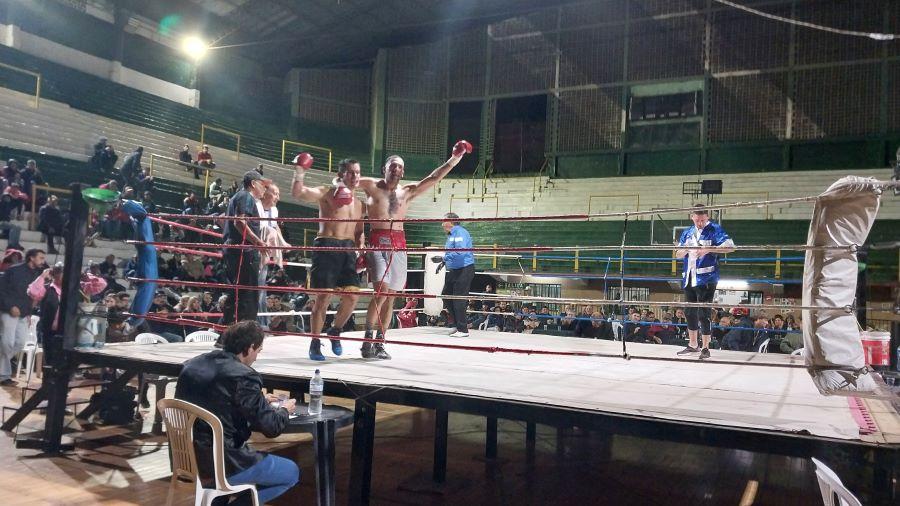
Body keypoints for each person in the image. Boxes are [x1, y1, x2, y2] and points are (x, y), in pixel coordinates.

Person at [355, 140, 472, 358]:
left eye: (400, 166)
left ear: (403, 171)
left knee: (391, 297)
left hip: (399, 244)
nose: (396, 168)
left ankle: (380, 343)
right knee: (381, 293)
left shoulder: (407, 192)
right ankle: (367, 340)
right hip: (378, 242)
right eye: (393, 164)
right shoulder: (370, 185)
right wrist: (358, 240)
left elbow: (434, 177)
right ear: (385, 169)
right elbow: (345, 183)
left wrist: (455, 158)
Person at [174, 321, 300, 505]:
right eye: (258, 351)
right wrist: (284, 410)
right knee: (291, 472)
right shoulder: (244, 375)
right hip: (224, 464)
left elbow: (213, 400)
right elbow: (271, 427)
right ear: (249, 348)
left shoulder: (192, 364)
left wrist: (258, 400)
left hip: (186, 459)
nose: (256, 357)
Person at [291, 157, 364, 360]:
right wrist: (299, 171)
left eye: (357, 172)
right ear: (341, 174)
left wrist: (361, 249)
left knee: (352, 297)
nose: (355, 176)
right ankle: (315, 342)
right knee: (323, 298)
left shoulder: (359, 203)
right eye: (350, 172)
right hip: (327, 245)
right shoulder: (326, 192)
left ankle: (335, 330)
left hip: (348, 250)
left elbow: (359, 230)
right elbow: (299, 193)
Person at [674, 204, 734, 360]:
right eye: (697, 219)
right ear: (692, 217)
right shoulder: (687, 232)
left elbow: (730, 247)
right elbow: (678, 254)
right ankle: (693, 345)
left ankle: (706, 347)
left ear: (707, 217)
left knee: (704, 312)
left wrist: (709, 249)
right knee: (689, 312)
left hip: (707, 277)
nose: (700, 222)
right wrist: (686, 249)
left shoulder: (715, 229)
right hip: (689, 276)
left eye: (702, 219)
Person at [221, 170, 270, 327]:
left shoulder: (240, 196)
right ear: (253, 184)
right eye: (263, 185)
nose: (265, 189)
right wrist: (258, 242)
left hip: (237, 249)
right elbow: (239, 222)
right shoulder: (245, 196)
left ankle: (226, 334)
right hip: (243, 251)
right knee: (247, 294)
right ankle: (242, 333)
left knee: (239, 292)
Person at [0, 249, 45, 386]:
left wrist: (29, 311)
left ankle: (2, 369)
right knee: (7, 342)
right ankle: (4, 375)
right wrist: (10, 306)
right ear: (31, 258)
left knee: (20, 342)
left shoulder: (38, 274)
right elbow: (1, 289)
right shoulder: (14, 270)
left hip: (24, 313)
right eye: (41, 258)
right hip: (10, 311)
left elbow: (34, 294)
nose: (43, 261)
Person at [439, 212, 475, 338]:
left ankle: (463, 329)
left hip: (464, 269)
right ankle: (456, 324)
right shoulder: (451, 235)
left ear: (451, 221)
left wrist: (444, 258)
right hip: (454, 269)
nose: (442, 223)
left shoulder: (460, 232)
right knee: (446, 295)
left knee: (459, 298)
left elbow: (461, 252)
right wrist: (443, 262)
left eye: (444, 220)